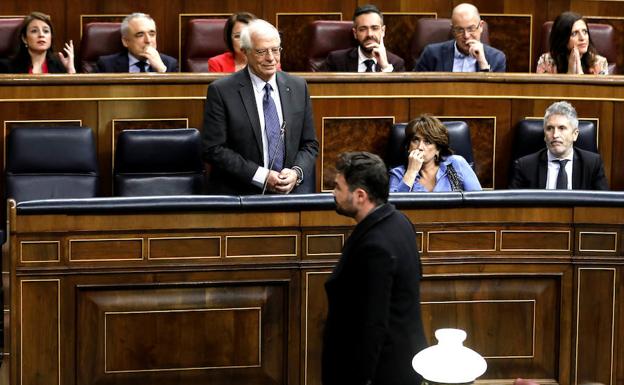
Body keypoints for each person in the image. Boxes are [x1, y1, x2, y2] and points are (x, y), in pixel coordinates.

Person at [323, 151, 427, 385]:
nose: (333, 193)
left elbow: (371, 326)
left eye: (338, 187)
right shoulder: (400, 221)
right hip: (403, 362)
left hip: (382, 372)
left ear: (360, 195)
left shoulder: (375, 247)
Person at [201, 19, 318, 194]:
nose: (271, 58)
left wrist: (296, 173)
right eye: (261, 51)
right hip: (240, 194)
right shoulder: (222, 91)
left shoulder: (298, 87)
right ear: (245, 52)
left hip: (289, 193)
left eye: (275, 50)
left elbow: (310, 144)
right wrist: (260, 176)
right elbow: (213, 149)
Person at [509, 101, 608, 190]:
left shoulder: (592, 164)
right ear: (544, 134)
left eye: (562, 128)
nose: (555, 135)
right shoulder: (525, 166)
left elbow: (603, 205)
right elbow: (513, 206)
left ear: (575, 134)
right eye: (550, 128)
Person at [389, 115, 481, 192]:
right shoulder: (398, 174)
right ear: (408, 146)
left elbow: (478, 201)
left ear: (438, 149)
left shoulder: (455, 164)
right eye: (415, 140)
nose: (420, 147)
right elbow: (394, 207)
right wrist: (411, 172)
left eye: (427, 142)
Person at [414, 3, 506, 72]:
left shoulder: (496, 58)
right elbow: (414, 88)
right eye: (459, 30)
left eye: (471, 29)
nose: (466, 36)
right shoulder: (432, 54)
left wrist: (483, 63)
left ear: (481, 26)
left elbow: (494, 93)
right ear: (453, 30)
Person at [321, 4, 405, 72]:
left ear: (383, 31)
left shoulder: (396, 63)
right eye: (363, 29)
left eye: (374, 28)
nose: (369, 34)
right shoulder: (336, 60)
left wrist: (385, 67)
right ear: (355, 33)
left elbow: (400, 92)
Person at [95, 12, 178, 73]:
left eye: (152, 34)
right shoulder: (106, 65)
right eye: (140, 35)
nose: (148, 40)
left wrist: (162, 72)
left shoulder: (170, 64)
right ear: (125, 41)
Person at [536, 12, 608, 75]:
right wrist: (570, 74)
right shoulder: (546, 62)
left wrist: (580, 74)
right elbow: (543, 90)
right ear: (562, 38)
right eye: (574, 33)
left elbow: (600, 91)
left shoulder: (599, 63)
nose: (582, 38)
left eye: (585, 32)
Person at [6, 12, 75, 74]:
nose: (41, 35)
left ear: (51, 37)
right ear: (24, 39)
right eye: (34, 31)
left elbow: (72, 88)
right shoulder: (7, 67)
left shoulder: (60, 66)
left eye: (46, 31)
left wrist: (70, 69)